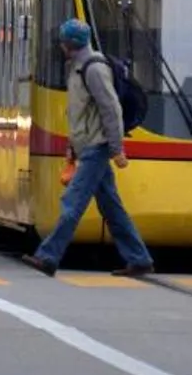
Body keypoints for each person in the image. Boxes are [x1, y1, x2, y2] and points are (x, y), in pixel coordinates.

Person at [24, 20, 154, 278]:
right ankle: (139, 259)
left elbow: (111, 108)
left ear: (68, 44)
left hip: (98, 147)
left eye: (62, 41)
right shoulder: (77, 68)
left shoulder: (93, 69)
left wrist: (116, 148)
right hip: (89, 146)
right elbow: (81, 114)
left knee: (72, 203)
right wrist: (72, 148)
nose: (60, 46)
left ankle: (48, 256)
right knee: (111, 207)